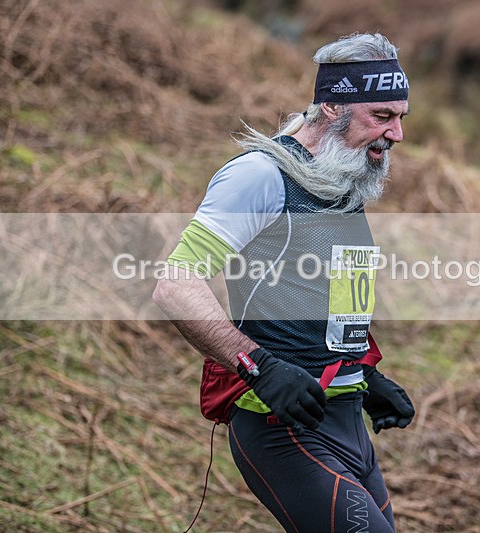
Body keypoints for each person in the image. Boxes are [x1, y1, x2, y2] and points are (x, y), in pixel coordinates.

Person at [153, 32, 415, 532]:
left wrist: (362, 372)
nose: (396, 134)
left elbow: (330, 296)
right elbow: (176, 283)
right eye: (382, 116)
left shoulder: (343, 178)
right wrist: (261, 367)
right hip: (281, 427)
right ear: (334, 107)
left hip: (346, 420)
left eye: (401, 117)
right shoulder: (260, 176)